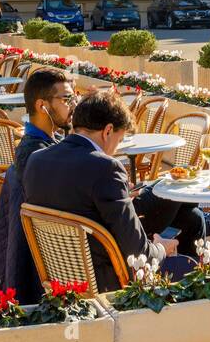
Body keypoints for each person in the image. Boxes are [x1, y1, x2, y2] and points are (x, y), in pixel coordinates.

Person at [22, 91, 199, 294]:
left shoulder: (36, 161)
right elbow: (138, 252)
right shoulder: (106, 167)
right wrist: (161, 248)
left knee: (191, 217)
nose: (116, 148)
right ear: (107, 131)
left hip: (58, 280)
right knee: (191, 267)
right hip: (107, 282)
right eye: (120, 139)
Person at [0, 68, 77, 301]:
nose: (72, 105)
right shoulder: (39, 157)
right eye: (66, 99)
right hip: (41, 278)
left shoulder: (36, 146)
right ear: (42, 106)